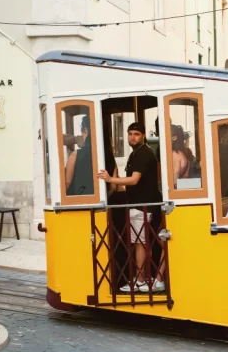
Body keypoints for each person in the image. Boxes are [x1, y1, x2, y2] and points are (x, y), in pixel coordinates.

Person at [98, 123, 163, 293]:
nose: (132, 137)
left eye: (136, 134)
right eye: (130, 134)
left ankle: (140, 280)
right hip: (140, 204)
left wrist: (110, 179)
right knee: (139, 241)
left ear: (143, 136)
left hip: (142, 205)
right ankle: (141, 278)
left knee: (140, 242)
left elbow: (134, 180)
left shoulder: (143, 153)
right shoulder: (137, 153)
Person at [65, 116, 94, 196]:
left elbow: (67, 183)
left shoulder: (75, 155)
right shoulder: (106, 155)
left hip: (79, 201)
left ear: (84, 130)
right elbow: (112, 187)